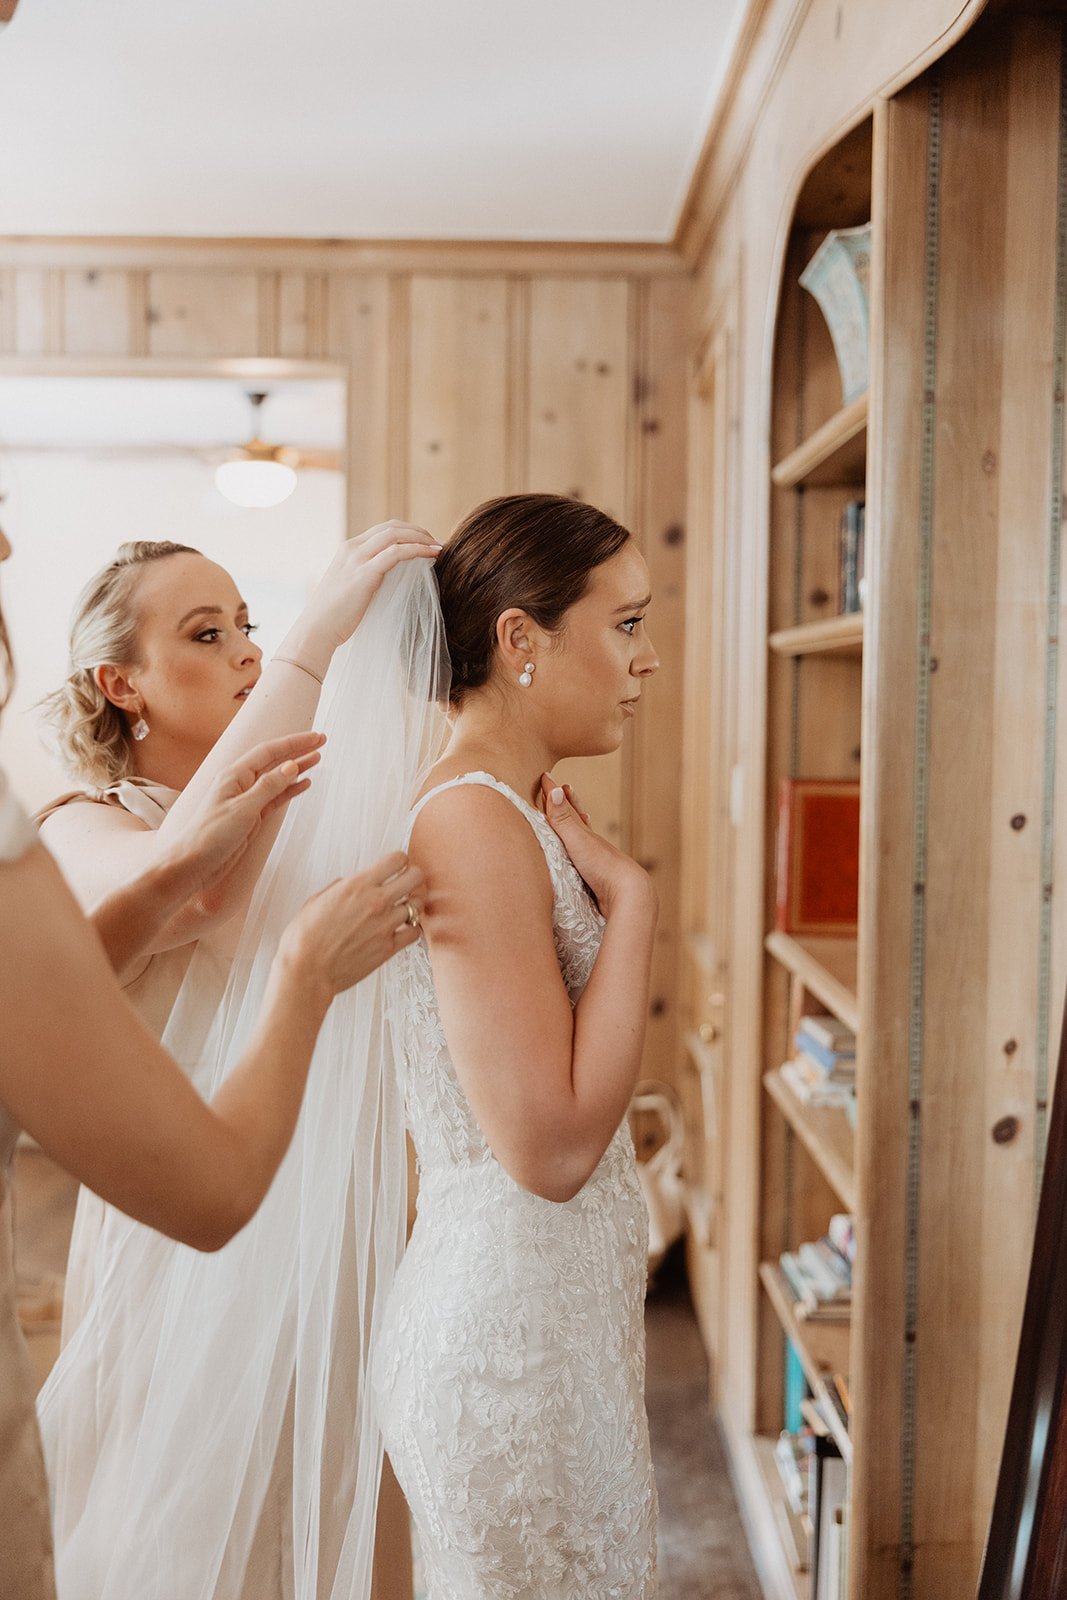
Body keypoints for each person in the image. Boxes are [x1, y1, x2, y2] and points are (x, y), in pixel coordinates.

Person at [0, 520, 426, 1600]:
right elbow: (197, 888)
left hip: (316, 1208)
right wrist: (313, 641)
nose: (245, 651)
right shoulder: (75, 825)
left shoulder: (301, 807)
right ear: (121, 683)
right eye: (205, 632)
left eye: (250, 626)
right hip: (187, 1230)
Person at [373, 493, 661, 1596]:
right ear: (520, 639)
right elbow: (545, 1153)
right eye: (625, 623)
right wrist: (629, 901)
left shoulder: (511, 811)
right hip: (506, 1359)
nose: (643, 661)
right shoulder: (472, 821)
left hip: (549, 1334)